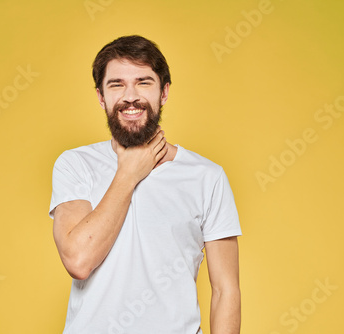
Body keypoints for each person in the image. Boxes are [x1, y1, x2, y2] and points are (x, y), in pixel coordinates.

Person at [49, 35, 242, 334]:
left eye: (143, 82)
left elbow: (225, 291)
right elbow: (78, 260)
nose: (130, 96)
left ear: (163, 92)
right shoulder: (75, 165)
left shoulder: (207, 177)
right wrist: (129, 173)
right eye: (117, 84)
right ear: (101, 96)